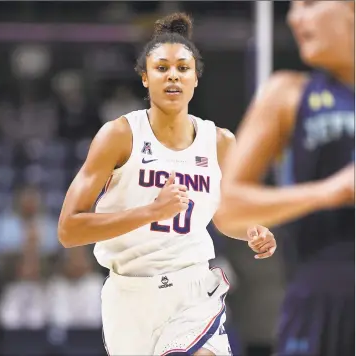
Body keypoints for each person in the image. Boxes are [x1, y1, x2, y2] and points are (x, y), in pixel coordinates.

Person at [58, 13, 277, 356]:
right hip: (128, 297)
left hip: (191, 292)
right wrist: (151, 211)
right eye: (161, 68)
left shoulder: (219, 142)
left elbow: (224, 217)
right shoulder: (118, 135)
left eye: (183, 68)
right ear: (145, 78)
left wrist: (252, 230)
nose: (173, 75)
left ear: (195, 78)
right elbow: (69, 230)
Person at [216, 2, 354, 356]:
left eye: (309, 3)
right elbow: (228, 206)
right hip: (320, 299)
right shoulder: (287, 94)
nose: (295, 17)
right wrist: (329, 191)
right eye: (292, 8)